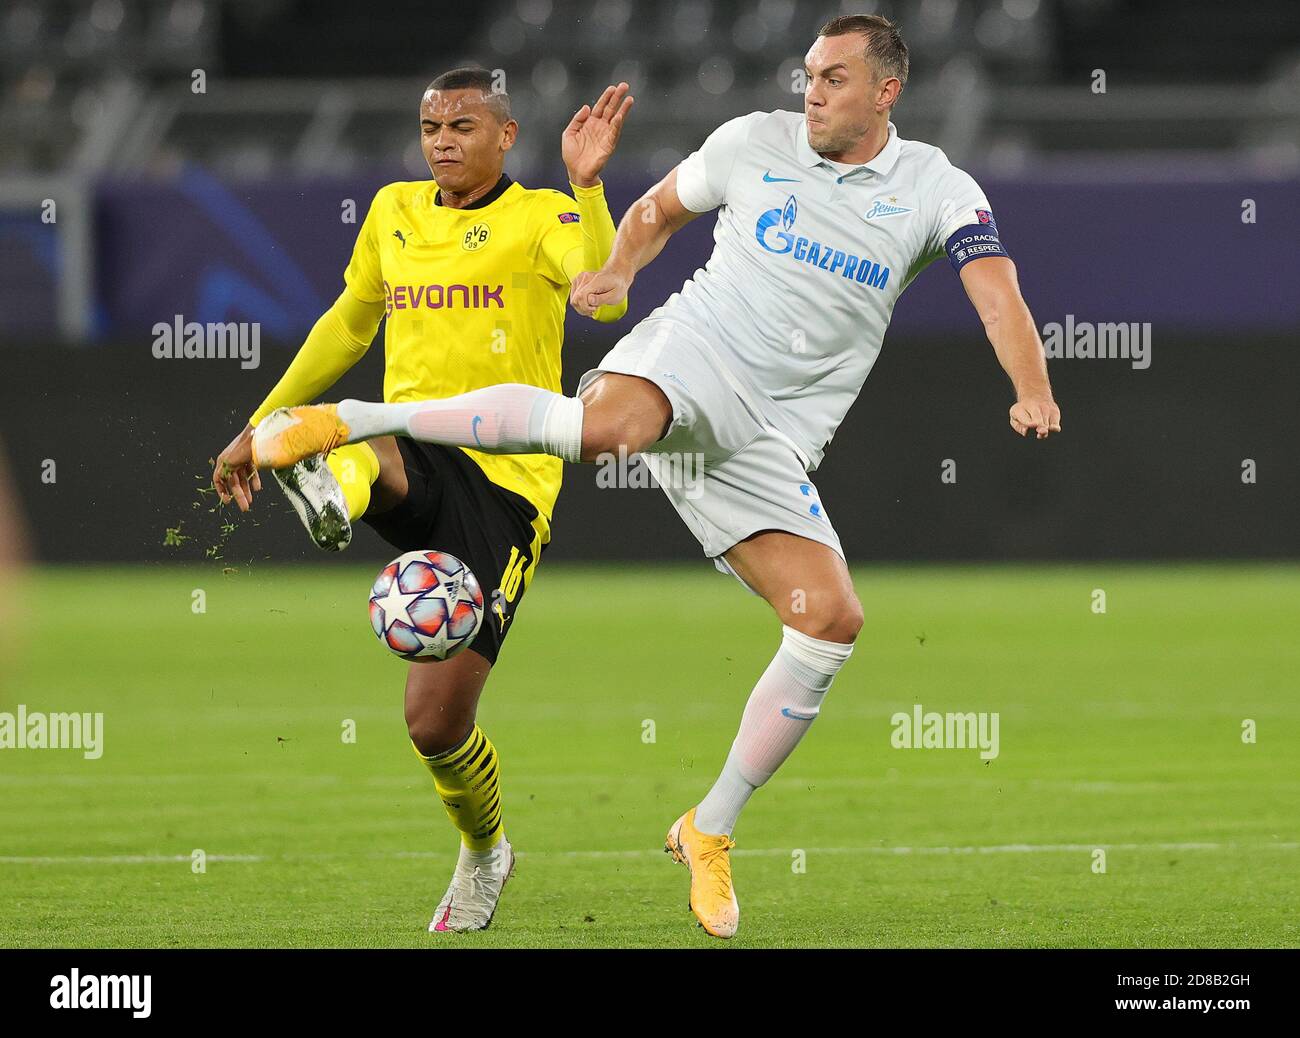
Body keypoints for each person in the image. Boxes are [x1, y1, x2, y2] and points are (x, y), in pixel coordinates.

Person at [251, 15, 1061, 939]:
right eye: (809, 74)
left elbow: (996, 289)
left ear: (887, 91)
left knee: (830, 620)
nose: (812, 92)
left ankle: (708, 828)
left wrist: (1030, 386)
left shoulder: (935, 187)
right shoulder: (753, 140)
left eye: (834, 78)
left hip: (767, 437)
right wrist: (619, 267)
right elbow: (659, 211)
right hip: (693, 350)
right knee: (605, 430)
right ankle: (357, 423)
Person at [213, 67, 633, 932]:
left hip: (508, 477)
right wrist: (257, 425)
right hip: (410, 445)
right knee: (361, 428)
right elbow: (346, 324)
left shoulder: (544, 215)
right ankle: (334, 488)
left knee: (434, 723)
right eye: (430, 125)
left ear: (506, 135)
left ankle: (486, 851)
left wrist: (588, 188)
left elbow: (605, 290)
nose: (441, 140)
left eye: (462, 126)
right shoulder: (393, 211)